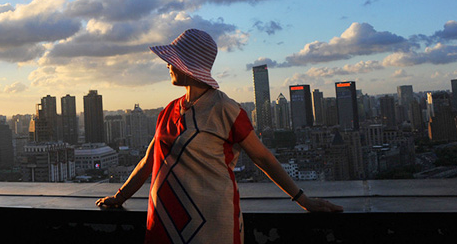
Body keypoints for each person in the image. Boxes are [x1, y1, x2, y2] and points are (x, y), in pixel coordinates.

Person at [96, 28, 342, 243]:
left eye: (173, 60)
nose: (167, 65)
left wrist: (303, 200)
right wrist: (120, 197)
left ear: (188, 65)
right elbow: (149, 161)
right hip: (163, 222)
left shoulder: (225, 109)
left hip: (212, 225)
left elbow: (263, 158)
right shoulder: (168, 111)